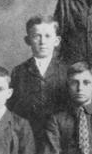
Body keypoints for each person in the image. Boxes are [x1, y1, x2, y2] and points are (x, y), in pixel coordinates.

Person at [7, 15, 68, 145]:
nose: (42, 41)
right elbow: (12, 107)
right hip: (28, 136)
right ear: (28, 40)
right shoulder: (19, 72)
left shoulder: (66, 71)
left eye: (47, 36)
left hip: (59, 137)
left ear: (57, 41)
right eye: (37, 36)